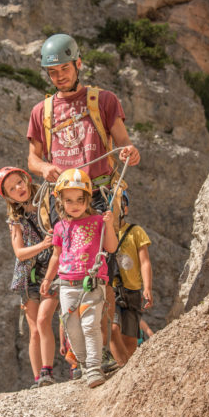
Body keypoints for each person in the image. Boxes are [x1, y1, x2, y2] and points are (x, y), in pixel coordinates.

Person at [26, 33, 142, 373]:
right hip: (64, 203)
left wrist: (129, 152)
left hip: (101, 196)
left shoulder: (103, 100)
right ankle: (83, 356)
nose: (59, 76)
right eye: (53, 72)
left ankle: (99, 352)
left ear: (78, 64)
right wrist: (46, 167)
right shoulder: (41, 111)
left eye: (64, 68)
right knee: (71, 273)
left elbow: (123, 143)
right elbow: (32, 159)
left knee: (101, 274)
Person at [41, 168, 117, 388]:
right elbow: (56, 255)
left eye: (79, 199)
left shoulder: (98, 221)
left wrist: (109, 225)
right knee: (71, 327)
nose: (74, 204)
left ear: (88, 199)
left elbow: (110, 247)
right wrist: (47, 278)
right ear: (61, 202)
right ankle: (84, 364)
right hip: (66, 284)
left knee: (90, 324)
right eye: (69, 200)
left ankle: (94, 367)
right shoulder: (59, 227)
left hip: (92, 281)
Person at [0, 166, 58, 388]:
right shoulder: (16, 219)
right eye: (12, 189)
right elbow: (19, 253)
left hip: (55, 265)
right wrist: (42, 244)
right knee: (34, 328)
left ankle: (53, 369)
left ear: (26, 178)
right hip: (30, 273)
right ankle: (40, 377)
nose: (18, 189)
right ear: (8, 196)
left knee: (46, 320)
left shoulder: (49, 199)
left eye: (19, 182)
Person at [109, 195, 153, 366]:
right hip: (112, 290)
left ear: (125, 209)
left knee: (130, 338)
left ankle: (128, 369)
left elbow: (145, 261)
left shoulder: (136, 231)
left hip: (132, 291)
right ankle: (121, 365)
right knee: (113, 329)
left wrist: (147, 287)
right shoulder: (103, 233)